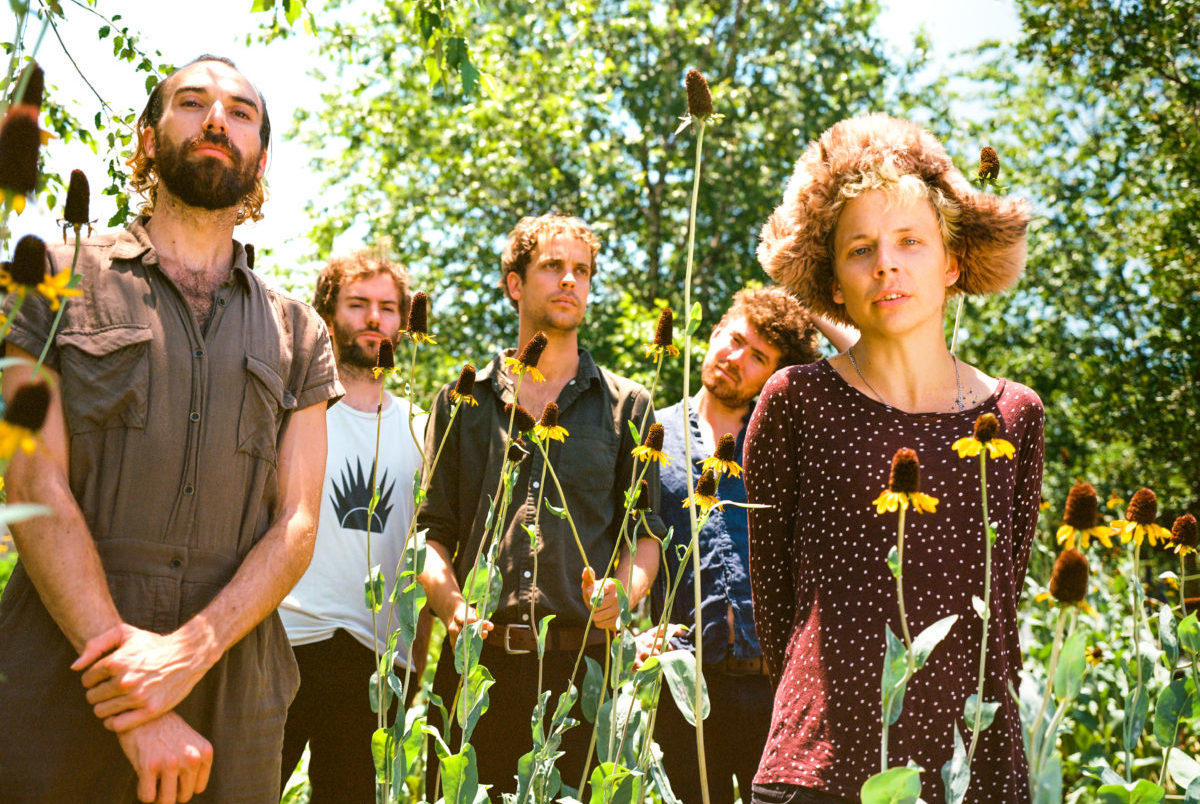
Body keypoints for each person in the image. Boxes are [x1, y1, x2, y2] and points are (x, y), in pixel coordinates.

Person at [0, 55, 341, 804]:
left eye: (241, 113)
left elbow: (298, 523)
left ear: (260, 159)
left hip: (235, 690)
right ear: (148, 138)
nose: (217, 119)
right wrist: (135, 694)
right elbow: (30, 478)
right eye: (192, 102)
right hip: (58, 670)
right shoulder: (48, 279)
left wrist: (188, 653)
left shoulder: (300, 332)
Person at [746, 114, 1044, 804]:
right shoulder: (795, 400)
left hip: (977, 771)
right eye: (861, 249)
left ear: (952, 262)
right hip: (818, 770)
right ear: (833, 282)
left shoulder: (1016, 414)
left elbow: (1001, 594)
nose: (886, 263)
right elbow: (776, 603)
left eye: (910, 240)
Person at [415, 213, 666, 794]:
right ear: (515, 284)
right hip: (479, 666)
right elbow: (430, 536)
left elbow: (645, 536)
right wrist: (453, 608)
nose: (570, 280)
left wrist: (622, 592)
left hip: (585, 673)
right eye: (553, 266)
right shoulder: (461, 402)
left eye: (582, 270)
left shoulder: (627, 406)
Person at [637, 287, 854, 804]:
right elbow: (624, 540)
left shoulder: (788, 437)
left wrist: (804, 295)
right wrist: (630, 632)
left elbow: (870, 362)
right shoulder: (651, 432)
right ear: (715, 333)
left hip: (779, 690)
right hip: (685, 687)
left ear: (776, 374)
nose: (736, 359)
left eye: (758, 356)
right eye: (735, 340)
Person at [278, 251, 424, 801]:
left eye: (388, 307)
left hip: (376, 661)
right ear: (327, 314)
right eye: (357, 304)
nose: (374, 319)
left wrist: (414, 662)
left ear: (404, 322)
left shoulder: (424, 428)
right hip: (285, 641)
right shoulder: (292, 411)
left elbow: (428, 548)